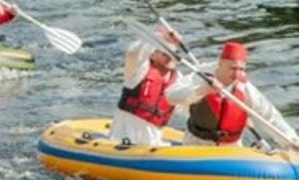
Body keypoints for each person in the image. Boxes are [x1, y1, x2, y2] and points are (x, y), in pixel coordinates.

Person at [168, 42, 299, 149]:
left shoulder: (245, 88)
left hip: (231, 147)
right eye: (233, 68)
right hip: (197, 144)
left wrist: (291, 140)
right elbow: (170, 96)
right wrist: (202, 90)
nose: (237, 74)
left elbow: (269, 116)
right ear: (220, 64)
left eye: (241, 69)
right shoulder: (201, 75)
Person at [108, 25, 190, 147]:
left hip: (153, 140)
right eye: (164, 53)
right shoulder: (139, 69)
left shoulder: (178, 79)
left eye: (172, 53)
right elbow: (133, 52)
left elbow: (186, 107)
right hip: (124, 137)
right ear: (152, 55)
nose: (170, 57)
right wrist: (161, 38)